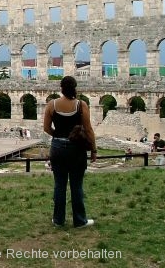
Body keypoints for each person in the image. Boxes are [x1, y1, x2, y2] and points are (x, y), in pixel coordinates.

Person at [43, 76, 97, 228]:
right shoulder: (81, 105)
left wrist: (59, 137)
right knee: (76, 186)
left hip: (57, 148)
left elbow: (46, 128)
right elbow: (88, 129)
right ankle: (80, 220)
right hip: (76, 149)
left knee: (59, 185)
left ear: (61, 88)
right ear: (75, 88)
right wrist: (93, 149)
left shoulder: (51, 105)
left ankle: (58, 220)